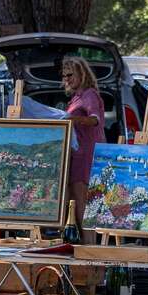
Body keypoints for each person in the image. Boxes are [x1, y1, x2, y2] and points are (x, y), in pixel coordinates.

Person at [62, 56, 106, 229]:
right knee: (76, 201)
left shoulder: (89, 95)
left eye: (70, 75)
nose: (66, 79)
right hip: (77, 154)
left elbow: (95, 119)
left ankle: (89, 244)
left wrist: (73, 119)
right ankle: (82, 244)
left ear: (82, 73)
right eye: (64, 76)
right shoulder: (76, 97)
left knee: (82, 203)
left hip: (85, 154)